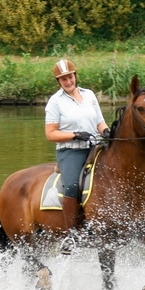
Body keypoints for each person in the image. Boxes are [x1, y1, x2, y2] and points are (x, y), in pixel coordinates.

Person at [45, 59, 110, 254]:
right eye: (63, 79)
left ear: (75, 76)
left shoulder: (89, 95)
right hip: (71, 150)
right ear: (58, 81)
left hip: (94, 147)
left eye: (70, 77)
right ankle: (70, 236)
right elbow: (50, 134)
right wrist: (74, 134)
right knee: (73, 184)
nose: (67, 81)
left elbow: (99, 121)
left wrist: (106, 132)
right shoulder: (55, 102)